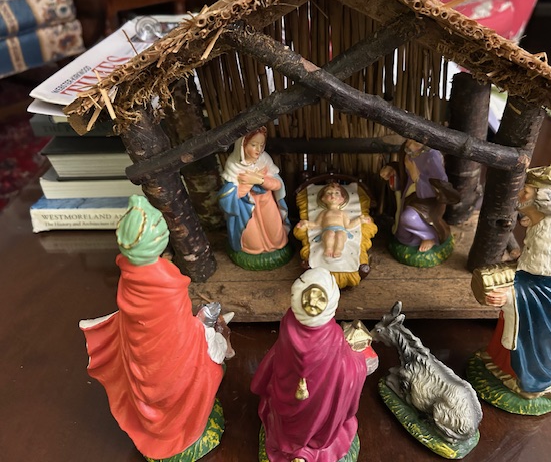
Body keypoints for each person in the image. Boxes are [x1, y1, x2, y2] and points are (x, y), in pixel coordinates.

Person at [79, 195, 234, 460]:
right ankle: (183, 429)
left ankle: (164, 423)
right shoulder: (165, 283)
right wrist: (204, 330)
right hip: (168, 358)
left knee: (156, 386)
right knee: (210, 372)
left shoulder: (129, 275)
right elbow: (180, 332)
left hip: (144, 354)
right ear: (157, 240)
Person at [251, 268, 377, 462]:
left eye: (320, 299)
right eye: (308, 296)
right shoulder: (297, 327)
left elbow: (341, 365)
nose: (312, 303)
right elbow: (280, 355)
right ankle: (297, 450)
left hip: (312, 396)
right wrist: (358, 362)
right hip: (296, 394)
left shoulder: (324, 333)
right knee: (294, 422)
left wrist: (355, 363)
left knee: (309, 420)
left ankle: (304, 449)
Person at [480, 163, 551, 399]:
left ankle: (533, 383)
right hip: (531, 288)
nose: (520, 196)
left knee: (528, 340)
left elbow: (543, 288)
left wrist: (509, 294)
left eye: (526, 192)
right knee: (507, 325)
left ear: (541, 200)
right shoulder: (538, 224)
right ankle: (503, 366)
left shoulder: (548, 236)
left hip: (541, 306)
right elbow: (531, 270)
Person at [218, 126, 290, 255]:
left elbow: (278, 185)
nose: (258, 149)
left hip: (266, 202)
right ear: (243, 145)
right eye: (253, 145)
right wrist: (249, 184)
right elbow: (229, 196)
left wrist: (260, 180)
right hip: (246, 207)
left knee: (277, 238)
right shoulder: (234, 165)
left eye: (261, 145)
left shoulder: (264, 159)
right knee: (253, 245)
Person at [380, 139, 459, 252]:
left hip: (428, 201)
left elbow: (441, 186)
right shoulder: (407, 150)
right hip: (409, 196)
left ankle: (431, 236)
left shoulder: (432, 156)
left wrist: (416, 177)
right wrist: (393, 169)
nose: (410, 146)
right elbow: (404, 172)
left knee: (409, 218)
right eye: (408, 141)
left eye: (416, 143)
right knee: (404, 236)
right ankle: (418, 236)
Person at [296, 183, 371, 258]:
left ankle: (338, 250)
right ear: (323, 198)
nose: (333, 195)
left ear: (342, 199)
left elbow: (348, 225)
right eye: (329, 193)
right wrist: (306, 224)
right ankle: (328, 249)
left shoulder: (342, 213)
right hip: (327, 229)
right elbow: (317, 224)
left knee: (340, 235)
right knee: (329, 234)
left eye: (337, 193)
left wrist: (359, 220)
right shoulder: (324, 213)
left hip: (341, 230)